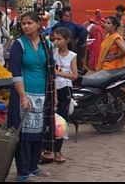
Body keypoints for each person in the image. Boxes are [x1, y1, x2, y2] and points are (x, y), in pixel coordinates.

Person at [8, 12, 55, 182]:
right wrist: (22, 97)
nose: (25, 26)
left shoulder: (46, 43)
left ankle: (34, 167)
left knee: (39, 131)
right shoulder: (18, 45)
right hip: (24, 94)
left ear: (38, 24)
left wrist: (53, 95)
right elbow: (16, 73)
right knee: (25, 133)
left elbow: (50, 71)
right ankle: (23, 171)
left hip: (43, 94)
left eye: (29, 23)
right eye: (23, 23)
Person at [51, 27, 78, 163]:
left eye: (59, 39)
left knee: (61, 121)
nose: (56, 42)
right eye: (54, 39)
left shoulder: (72, 56)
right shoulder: (52, 54)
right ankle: (47, 150)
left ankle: (58, 151)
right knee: (49, 120)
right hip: (52, 89)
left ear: (67, 40)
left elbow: (74, 75)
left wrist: (58, 73)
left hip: (65, 89)